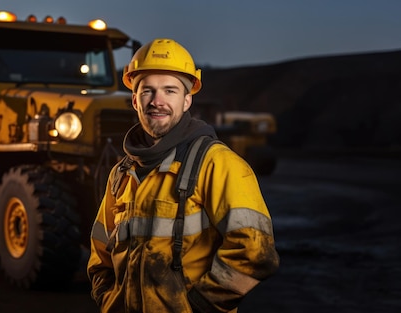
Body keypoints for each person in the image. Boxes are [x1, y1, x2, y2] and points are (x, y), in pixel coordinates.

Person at [87, 38, 280, 312]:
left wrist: (199, 306)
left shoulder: (217, 163)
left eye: (170, 91)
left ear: (187, 100)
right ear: (134, 100)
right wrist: (106, 297)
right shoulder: (122, 172)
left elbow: (256, 253)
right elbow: (100, 249)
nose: (157, 101)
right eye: (147, 91)